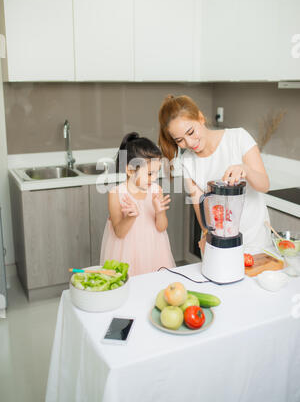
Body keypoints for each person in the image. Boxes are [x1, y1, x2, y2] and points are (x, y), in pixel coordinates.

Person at [158, 94, 272, 252]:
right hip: (220, 244)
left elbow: (264, 185)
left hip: (256, 241)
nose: (189, 143)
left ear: (200, 118)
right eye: (179, 140)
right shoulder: (187, 163)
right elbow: (201, 209)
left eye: (190, 132)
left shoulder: (238, 138)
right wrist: (206, 235)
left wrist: (245, 169)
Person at [100, 132, 175, 276]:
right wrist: (130, 217)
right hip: (127, 253)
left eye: (156, 172)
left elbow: (161, 227)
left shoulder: (156, 190)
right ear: (130, 170)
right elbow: (119, 233)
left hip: (154, 249)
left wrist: (159, 213)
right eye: (149, 174)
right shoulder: (116, 194)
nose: (154, 178)